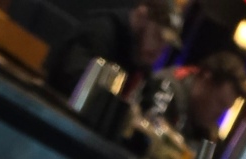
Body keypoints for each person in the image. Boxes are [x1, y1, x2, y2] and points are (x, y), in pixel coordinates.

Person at [45, 0, 180, 99]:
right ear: (141, 16)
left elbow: (146, 104)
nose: (160, 50)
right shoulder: (101, 32)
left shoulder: (140, 60)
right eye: (157, 36)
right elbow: (73, 81)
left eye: (166, 44)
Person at [153, 50, 246, 142]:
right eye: (219, 103)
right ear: (205, 80)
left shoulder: (205, 129)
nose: (219, 115)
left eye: (225, 108)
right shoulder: (166, 88)